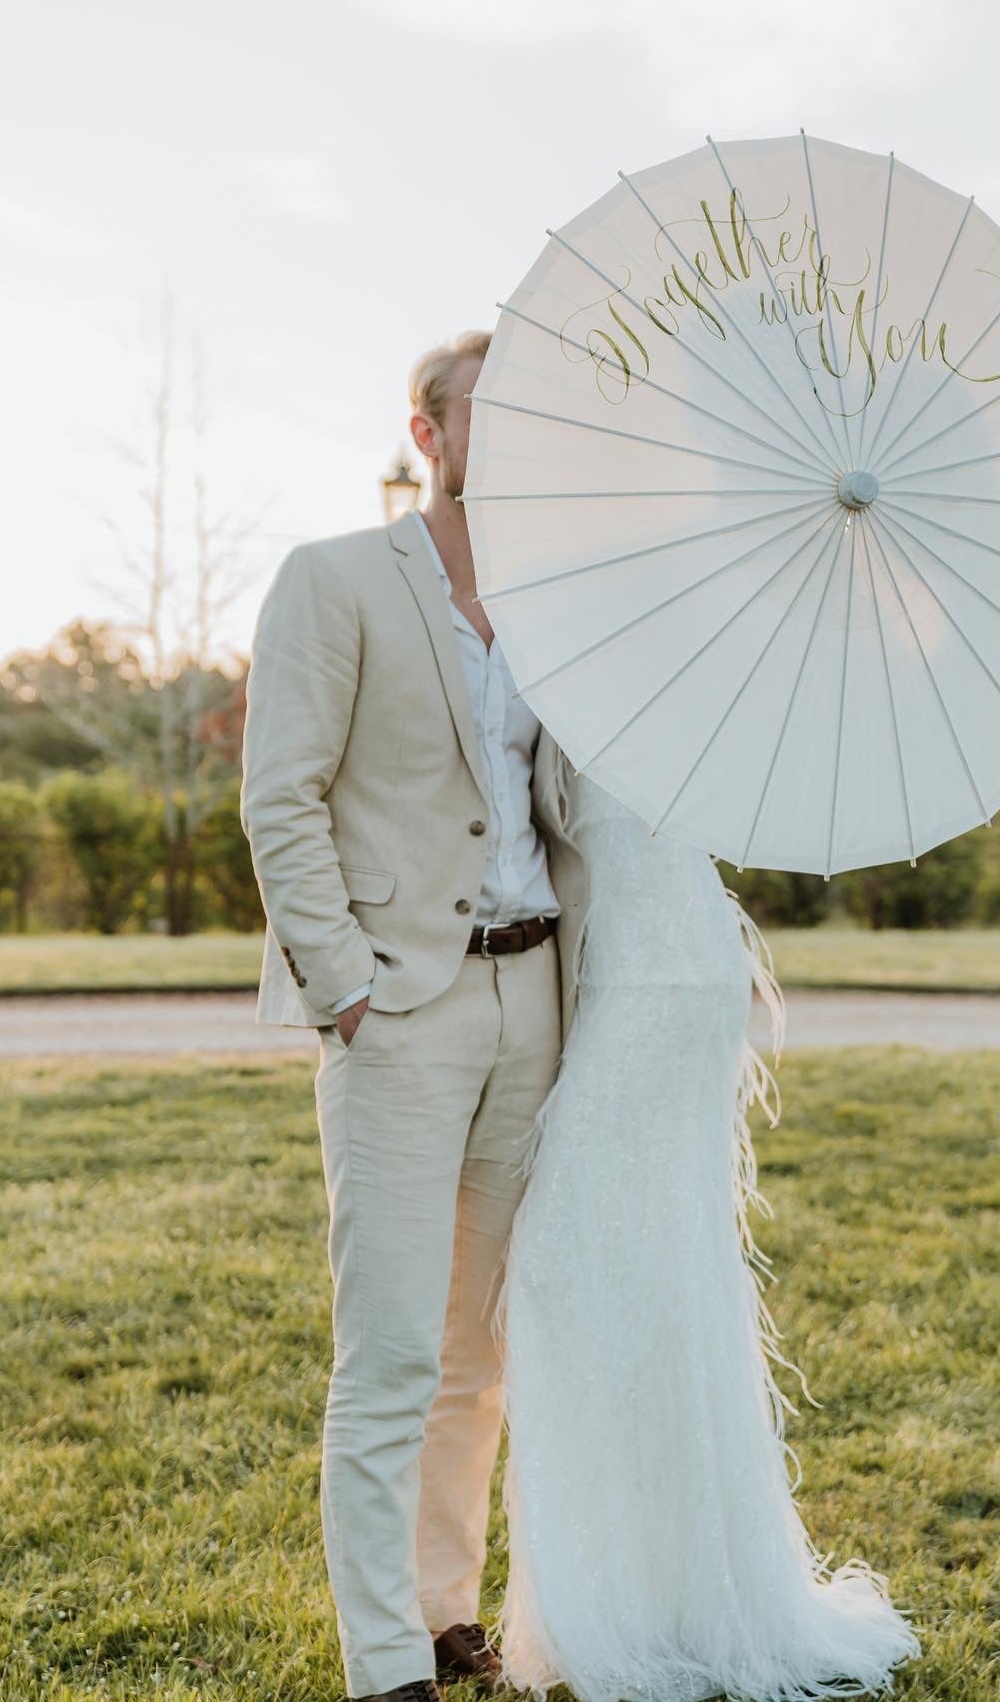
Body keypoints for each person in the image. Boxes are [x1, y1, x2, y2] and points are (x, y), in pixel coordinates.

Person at [240, 329, 589, 1702]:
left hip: (535, 999)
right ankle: (382, 1660)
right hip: (398, 1012)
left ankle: (447, 1613)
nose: (509, 435)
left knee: (483, 1355)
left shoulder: (561, 603)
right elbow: (283, 796)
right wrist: (349, 991)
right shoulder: (334, 582)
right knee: (388, 1349)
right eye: (484, 413)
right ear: (429, 432)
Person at [491, 764, 923, 1697]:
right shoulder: (628, 656)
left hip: (658, 973)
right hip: (650, 959)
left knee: (573, 1266)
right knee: (653, 1272)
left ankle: (630, 1601)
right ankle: (662, 1588)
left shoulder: (617, 656)